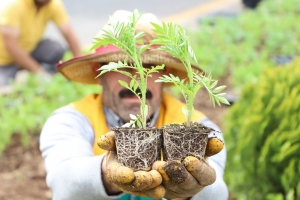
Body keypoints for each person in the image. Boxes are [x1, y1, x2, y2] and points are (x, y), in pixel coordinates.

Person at [39, 10, 228, 200]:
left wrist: (192, 190)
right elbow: (63, 181)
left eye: (149, 67)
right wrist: (107, 171)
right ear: (99, 71)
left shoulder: (202, 128)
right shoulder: (71, 119)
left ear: (166, 71)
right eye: (122, 64)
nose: (137, 80)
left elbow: (218, 191)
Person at [0, 0, 81, 87]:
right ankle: (29, 69)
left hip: (30, 49)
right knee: (3, 88)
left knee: (56, 49)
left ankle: (29, 68)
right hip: (5, 60)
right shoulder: (14, 6)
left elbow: (68, 33)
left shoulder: (52, 4)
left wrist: (80, 62)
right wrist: (39, 72)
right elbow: (11, 46)